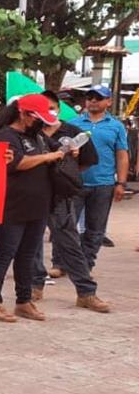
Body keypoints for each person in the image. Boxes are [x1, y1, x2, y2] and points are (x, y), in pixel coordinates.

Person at [0, 95, 64, 323]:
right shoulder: (5, 136)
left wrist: (68, 149)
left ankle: (24, 300)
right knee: (5, 253)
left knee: (28, 255)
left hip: (37, 207)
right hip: (10, 207)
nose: (41, 123)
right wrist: (47, 156)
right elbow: (17, 163)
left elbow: (56, 149)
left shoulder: (37, 136)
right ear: (24, 114)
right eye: (38, 118)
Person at [30, 92, 110, 313]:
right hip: (32, 196)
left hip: (60, 198)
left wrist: (65, 173)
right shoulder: (29, 132)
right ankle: (34, 285)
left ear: (58, 108)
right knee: (32, 244)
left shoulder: (72, 131)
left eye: (52, 107)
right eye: (43, 108)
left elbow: (88, 161)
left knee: (70, 243)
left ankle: (86, 292)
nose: (49, 112)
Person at [70, 84, 129, 272]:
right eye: (90, 97)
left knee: (95, 229)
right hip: (74, 183)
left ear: (109, 102)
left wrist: (120, 182)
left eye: (98, 97)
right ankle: (61, 263)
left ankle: (86, 265)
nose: (93, 101)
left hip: (103, 184)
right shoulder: (73, 123)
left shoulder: (116, 126)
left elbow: (121, 155)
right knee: (67, 226)